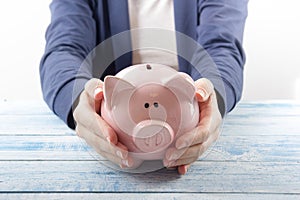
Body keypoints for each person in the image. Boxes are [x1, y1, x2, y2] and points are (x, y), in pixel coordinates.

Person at [40, 0, 248, 175]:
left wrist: (213, 98)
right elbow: (64, 49)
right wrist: (79, 99)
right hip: (114, 122)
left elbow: (222, 47)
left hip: (188, 109)